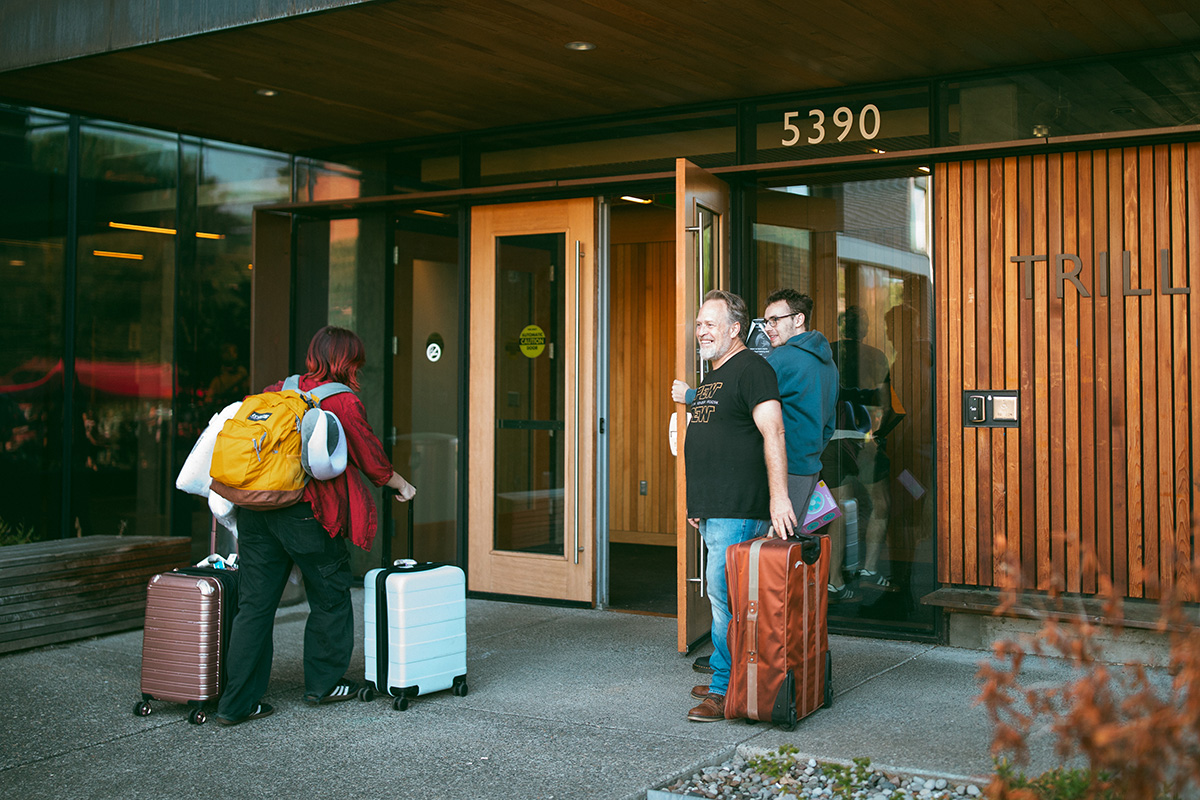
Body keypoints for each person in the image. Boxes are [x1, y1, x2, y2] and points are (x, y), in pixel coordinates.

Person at [215, 325, 417, 726]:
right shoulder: (342, 400)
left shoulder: (279, 390)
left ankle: (236, 703)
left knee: (254, 605)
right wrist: (401, 484)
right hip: (306, 513)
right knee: (330, 594)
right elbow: (369, 455)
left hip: (258, 508)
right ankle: (322, 684)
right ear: (350, 361)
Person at [670, 290, 791, 723]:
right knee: (723, 600)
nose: (700, 331)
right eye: (699, 324)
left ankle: (724, 691)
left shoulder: (753, 370)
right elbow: (712, 442)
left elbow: (774, 433)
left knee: (727, 604)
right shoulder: (713, 376)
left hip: (740, 508)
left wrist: (779, 498)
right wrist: (698, 502)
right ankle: (731, 674)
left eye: (709, 323)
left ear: (735, 328)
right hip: (714, 508)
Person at [820, 306, 899, 602]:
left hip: (830, 441)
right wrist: (874, 436)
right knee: (880, 503)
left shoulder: (826, 353)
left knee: (837, 511)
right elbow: (885, 405)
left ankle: (836, 581)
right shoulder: (876, 356)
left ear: (841, 327)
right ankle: (867, 570)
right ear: (864, 328)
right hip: (864, 441)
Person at [762, 288, 839, 536]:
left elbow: (738, 394)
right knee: (798, 552)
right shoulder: (829, 362)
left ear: (798, 319)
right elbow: (829, 424)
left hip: (784, 470)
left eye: (775, 320)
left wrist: (690, 395)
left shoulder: (782, 357)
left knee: (774, 553)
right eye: (765, 321)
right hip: (811, 469)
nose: (768, 327)